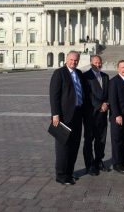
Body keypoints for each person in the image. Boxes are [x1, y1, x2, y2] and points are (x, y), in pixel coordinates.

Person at [49, 51, 86, 185]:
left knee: (74, 146)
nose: (73, 62)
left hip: (77, 114)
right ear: (66, 59)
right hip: (63, 116)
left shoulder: (79, 74)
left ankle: (69, 173)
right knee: (62, 147)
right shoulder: (59, 73)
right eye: (71, 60)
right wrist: (55, 114)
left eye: (76, 60)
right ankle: (61, 175)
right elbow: (54, 95)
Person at [82, 55, 110, 175]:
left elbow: (109, 93)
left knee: (101, 139)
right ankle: (89, 165)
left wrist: (106, 103)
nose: (98, 64)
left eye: (99, 62)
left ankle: (99, 160)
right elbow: (87, 95)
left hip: (103, 114)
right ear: (91, 63)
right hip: (90, 114)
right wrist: (100, 105)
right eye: (95, 62)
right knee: (89, 140)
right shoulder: (85, 76)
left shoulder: (105, 76)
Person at [109, 60, 124, 174]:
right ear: (118, 68)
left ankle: (122, 161)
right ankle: (117, 164)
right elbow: (113, 100)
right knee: (117, 141)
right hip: (118, 117)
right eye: (123, 67)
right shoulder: (114, 81)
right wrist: (117, 114)